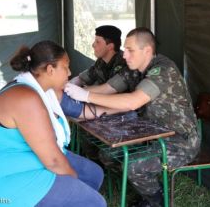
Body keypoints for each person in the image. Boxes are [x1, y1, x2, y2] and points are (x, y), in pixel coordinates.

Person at [64, 27, 201, 206]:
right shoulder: (134, 69)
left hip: (180, 140)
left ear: (147, 51)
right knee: (108, 155)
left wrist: (86, 96)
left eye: (130, 50)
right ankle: (148, 188)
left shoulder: (163, 70)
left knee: (134, 166)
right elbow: (107, 89)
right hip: (150, 134)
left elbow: (132, 102)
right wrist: (70, 90)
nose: (124, 55)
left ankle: (157, 201)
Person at [0, 41, 106, 207]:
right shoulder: (26, 98)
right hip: (10, 179)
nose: (70, 72)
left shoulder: (37, 89)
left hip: (23, 160)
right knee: (94, 202)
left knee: (94, 174)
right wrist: (72, 182)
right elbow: (53, 161)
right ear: (50, 70)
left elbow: (79, 112)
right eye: (66, 67)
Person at [60, 25, 140, 119]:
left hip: (127, 112)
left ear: (110, 46)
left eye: (98, 42)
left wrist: (74, 91)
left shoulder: (125, 62)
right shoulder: (101, 62)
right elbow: (81, 78)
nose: (93, 44)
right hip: (106, 109)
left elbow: (108, 89)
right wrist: (67, 85)